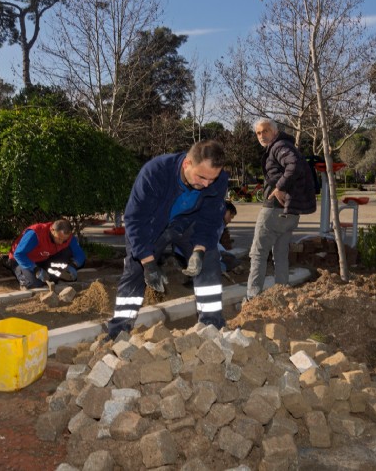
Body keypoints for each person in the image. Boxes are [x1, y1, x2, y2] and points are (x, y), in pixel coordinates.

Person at [105, 140, 229, 339]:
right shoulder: (156, 172)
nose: (206, 184)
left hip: (187, 224)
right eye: (202, 177)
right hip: (153, 226)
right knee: (135, 269)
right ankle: (119, 330)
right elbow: (136, 219)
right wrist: (148, 263)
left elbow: (210, 218)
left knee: (209, 260)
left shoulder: (218, 179)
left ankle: (211, 325)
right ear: (187, 164)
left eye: (211, 179)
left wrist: (199, 250)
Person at [245, 118, 316, 303]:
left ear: (275, 132)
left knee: (258, 254)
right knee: (280, 254)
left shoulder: (279, 146)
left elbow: (295, 165)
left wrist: (280, 187)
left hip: (274, 211)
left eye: (266, 131)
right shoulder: (283, 145)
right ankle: (282, 295)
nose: (261, 135)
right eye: (258, 133)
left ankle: (252, 299)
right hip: (289, 212)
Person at [7, 219, 86, 290]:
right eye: (59, 238)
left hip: (43, 258)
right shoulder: (36, 234)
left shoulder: (68, 237)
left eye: (64, 240)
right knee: (34, 284)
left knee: (67, 251)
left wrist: (73, 265)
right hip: (22, 260)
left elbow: (80, 255)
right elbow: (18, 254)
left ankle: (52, 277)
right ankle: (25, 281)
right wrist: (35, 269)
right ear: (52, 230)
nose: (61, 242)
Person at [219, 201, 240, 273]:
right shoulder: (218, 224)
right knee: (229, 262)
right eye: (231, 217)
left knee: (232, 258)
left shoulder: (220, 223)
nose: (230, 220)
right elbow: (213, 244)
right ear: (226, 211)